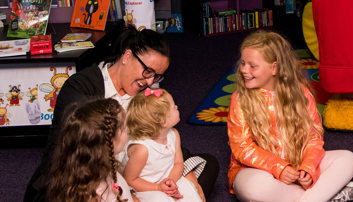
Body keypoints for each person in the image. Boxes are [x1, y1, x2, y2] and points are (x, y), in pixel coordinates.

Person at [25, 26, 219, 201]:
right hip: (91, 178)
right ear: (126, 57)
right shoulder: (83, 87)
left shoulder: (143, 95)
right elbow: (73, 153)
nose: (150, 81)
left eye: (156, 76)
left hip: (140, 173)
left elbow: (162, 135)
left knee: (207, 164)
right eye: (148, 72)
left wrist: (184, 169)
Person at [227, 30, 353, 202]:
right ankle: (326, 195)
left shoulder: (301, 93)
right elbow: (242, 147)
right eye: (242, 63)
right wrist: (278, 167)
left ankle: (310, 197)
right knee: (251, 189)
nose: (244, 70)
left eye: (252, 66)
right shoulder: (240, 99)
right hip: (259, 171)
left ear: (274, 68)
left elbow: (313, 137)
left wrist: (308, 167)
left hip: (298, 164)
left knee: (348, 158)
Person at [47, 98, 136, 202]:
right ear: (109, 142)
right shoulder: (100, 191)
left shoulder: (77, 172)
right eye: (124, 128)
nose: (128, 130)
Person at [123, 88, 204, 201]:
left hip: (167, 178)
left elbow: (178, 163)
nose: (177, 107)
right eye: (173, 107)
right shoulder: (142, 149)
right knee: (159, 199)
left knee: (189, 189)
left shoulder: (174, 134)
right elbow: (130, 180)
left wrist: (170, 182)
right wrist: (157, 187)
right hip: (145, 188)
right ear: (163, 121)